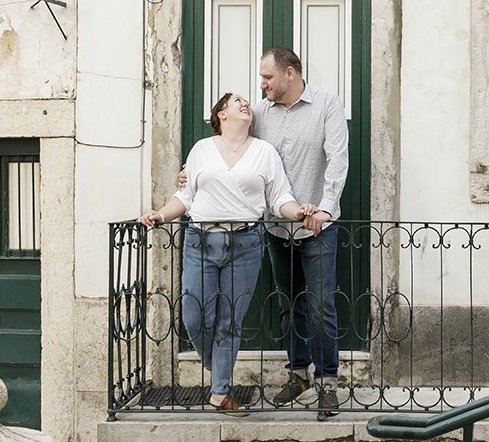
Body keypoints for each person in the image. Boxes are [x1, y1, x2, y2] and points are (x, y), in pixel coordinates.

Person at [140, 92, 317, 417]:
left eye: (246, 102)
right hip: (200, 242)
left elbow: (279, 196)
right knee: (195, 316)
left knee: (230, 322)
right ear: (220, 113)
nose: (245, 103)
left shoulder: (265, 152)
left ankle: (220, 392)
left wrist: (298, 212)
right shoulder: (202, 150)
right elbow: (186, 195)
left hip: (245, 245)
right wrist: (161, 215)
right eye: (237, 101)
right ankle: (219, 364)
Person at [254, 46, 350, 420]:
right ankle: (298, 374)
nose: (262, 84)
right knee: (288, 305)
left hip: (318, 229)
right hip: (277, 226)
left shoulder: (327, 105)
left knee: (321, 305)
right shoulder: (260, 112)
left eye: (268, 77)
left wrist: (325, 207)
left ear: (289, 73)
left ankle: (327, 382)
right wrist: (191, 171)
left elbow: (338, 159)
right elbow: (235, 149)